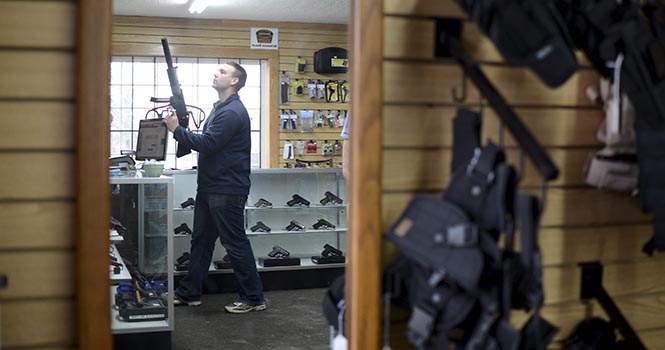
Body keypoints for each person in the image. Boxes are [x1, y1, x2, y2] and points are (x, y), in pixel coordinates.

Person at [163, 62, 266, 313]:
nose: (216, 73)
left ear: (234, 81)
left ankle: (253, 298)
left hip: (226, 189)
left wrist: (177, 130)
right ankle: (190, 292)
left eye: (222, 72)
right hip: (211, 187)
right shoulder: (220, 109)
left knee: (235, 243)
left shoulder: (232, 112)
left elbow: (209, 143)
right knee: (201, 241)